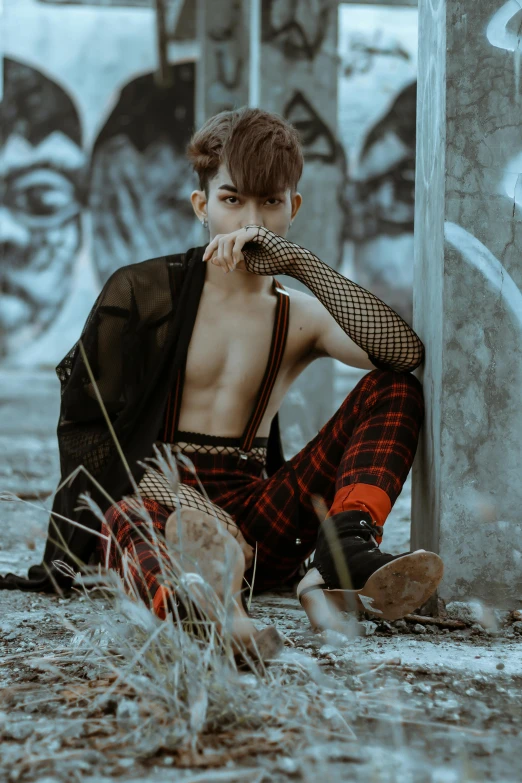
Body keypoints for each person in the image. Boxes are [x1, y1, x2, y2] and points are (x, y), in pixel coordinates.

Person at [1, 107, 442, 648]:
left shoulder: (296, 315)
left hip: (258, 510)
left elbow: (402, 351)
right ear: (202, 205)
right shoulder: (143, 293)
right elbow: (90, 430)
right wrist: (173, 495)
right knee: (125, 517)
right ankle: (209, 613)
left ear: (292, 208)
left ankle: (340, 554)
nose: (250, 221)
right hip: (154, 493)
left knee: (395, 388)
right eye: (232, 200)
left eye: (270, 202)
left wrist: (301, 264)